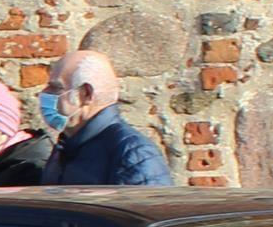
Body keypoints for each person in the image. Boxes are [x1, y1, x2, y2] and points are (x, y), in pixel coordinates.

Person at [37, 50, 172, 187]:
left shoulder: (132, 153)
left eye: (55, 87)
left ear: (86, 93)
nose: (44, 93)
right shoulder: (67, 145)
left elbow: (148, 207)